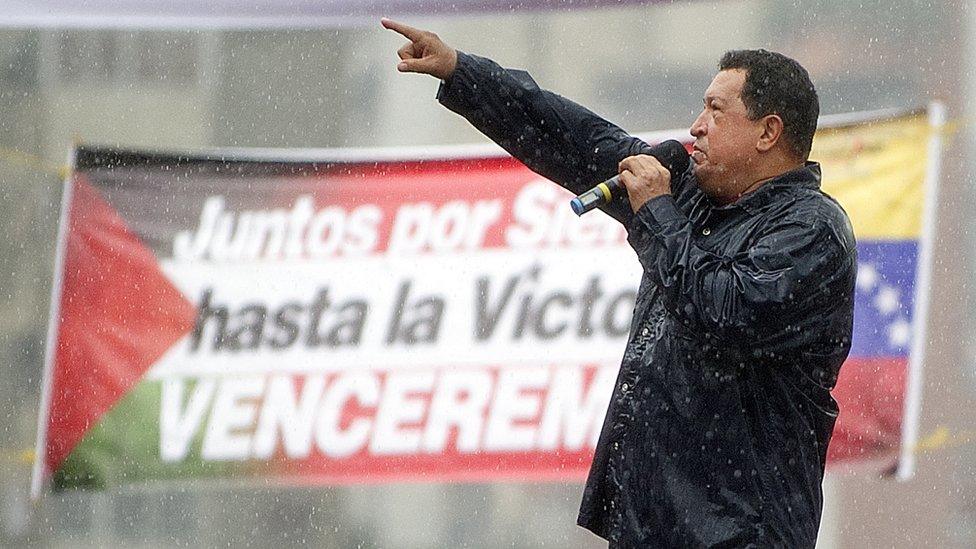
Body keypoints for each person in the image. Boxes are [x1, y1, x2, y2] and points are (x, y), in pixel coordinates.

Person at [382, 17, 856, 548]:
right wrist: (464, 73)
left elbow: (721, 309)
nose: (696, 127)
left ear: (769, 132)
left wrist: (655, 209)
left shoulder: (810, 230)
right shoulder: (690, 199)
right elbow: (576, 139)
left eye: (716, 112)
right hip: (649, 525)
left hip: (740, 532)